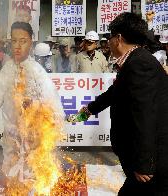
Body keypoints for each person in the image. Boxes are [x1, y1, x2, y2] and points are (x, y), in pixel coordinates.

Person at [70, 12, 168, 195]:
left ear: (118, 38)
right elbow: (115, 92)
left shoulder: (139, 64)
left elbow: (145, 115)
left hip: (151, 164)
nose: (108, 42)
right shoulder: (135, 61)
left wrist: (144, 163)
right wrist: (89, 110)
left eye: (110, 37)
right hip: (146, 161)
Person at [0, 22, 64, 181]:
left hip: (32, 128)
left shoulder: (36, 70)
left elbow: (50, 97)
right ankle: (13, 184)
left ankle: (30, 185)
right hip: (11, 128)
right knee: (10, 159)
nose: (18, 46)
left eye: (23, 41)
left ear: (31, 43)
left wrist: (55, 116)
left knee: (31, 162)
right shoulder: (7, 69)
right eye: (14, 41)